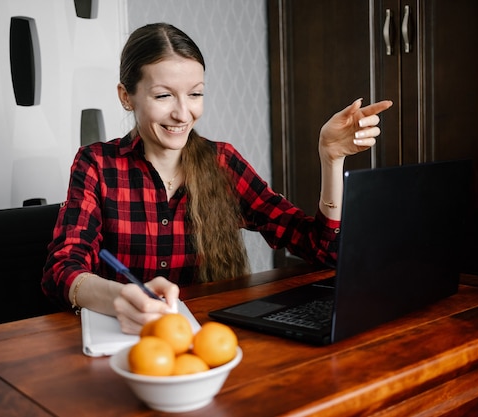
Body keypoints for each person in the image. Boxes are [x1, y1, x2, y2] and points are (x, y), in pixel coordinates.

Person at [42, 22, 392, 334]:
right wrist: (118, 296)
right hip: (126, 342)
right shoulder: (97, 164)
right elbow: (62, 268)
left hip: (208, 340)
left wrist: (331, 160)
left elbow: (321, 249)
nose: (183, 113)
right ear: (126, 97)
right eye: (163, 95)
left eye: (195, 94)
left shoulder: (223, 161)